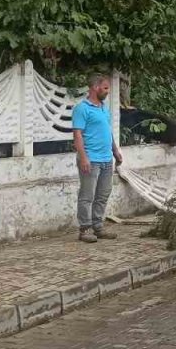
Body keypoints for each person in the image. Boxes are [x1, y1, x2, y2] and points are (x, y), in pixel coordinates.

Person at [73, 73, 124, 243]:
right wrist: (83, 158)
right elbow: (78, 135)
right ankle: (84, 229)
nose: (107, 91)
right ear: (95, 87)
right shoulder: (82, 108)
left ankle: (98, 227)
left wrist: (115, 151)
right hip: (91, 159)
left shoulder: (104, 108)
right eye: (105, 88)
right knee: (87, 195)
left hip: (106, 159)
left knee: (103, 194)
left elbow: (107, 132)